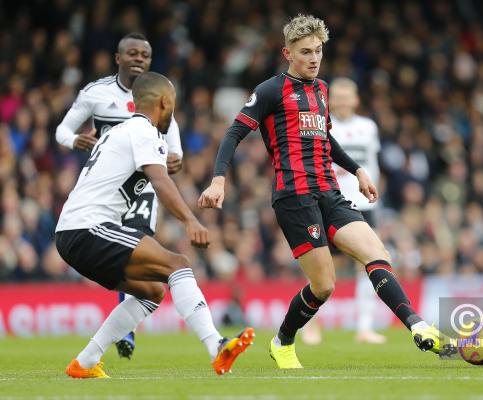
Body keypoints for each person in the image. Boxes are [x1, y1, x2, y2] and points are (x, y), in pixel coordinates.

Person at [199, 14, 456, 369]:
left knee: (377, 252)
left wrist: (358, 169)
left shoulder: (321, 90)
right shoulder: (271, 90)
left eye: (318, 51)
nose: (314, 58)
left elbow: (326, 138)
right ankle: (283, 342)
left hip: (330, 192)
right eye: (305, 52)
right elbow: (233, 134)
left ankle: (420, 328)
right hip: (294, 198)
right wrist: (218, 179)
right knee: (324, 286)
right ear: (287, 53)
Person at [56, 72, 254, 379]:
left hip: (75, 231)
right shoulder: (143, 131)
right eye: (172, 105)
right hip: (87, 228)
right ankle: (217, 346)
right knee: (179, 264)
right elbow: (160, 180)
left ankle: (84, 362)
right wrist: (191, 221)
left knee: (151, 291)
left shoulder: (120, 131)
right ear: (164, 102)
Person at [55, 32, 183, 359]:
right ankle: (123, 324)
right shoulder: (97, 93)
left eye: (145, 55)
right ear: (118, 58)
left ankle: (127, 328)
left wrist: (176, 156)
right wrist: (74, 141)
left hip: (140, 189)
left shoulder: (158, 92)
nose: (139, 59)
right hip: (105, 189)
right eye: (133, 53)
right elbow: (62, 130)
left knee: (139, 247)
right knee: (129, 254)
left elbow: (172, 136)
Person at [301, 77, 386, 345]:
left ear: (356, 99)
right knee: (324, 267)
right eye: (336, 96)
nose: (341, 100)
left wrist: (375, 193)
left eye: (346, 96)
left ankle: (364, 327)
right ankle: (310, 325)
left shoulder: (368, 127)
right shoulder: (322, 124)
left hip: (362, 205)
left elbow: (372, 163)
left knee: (367, 264)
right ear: (329, 99)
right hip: (331, 202)